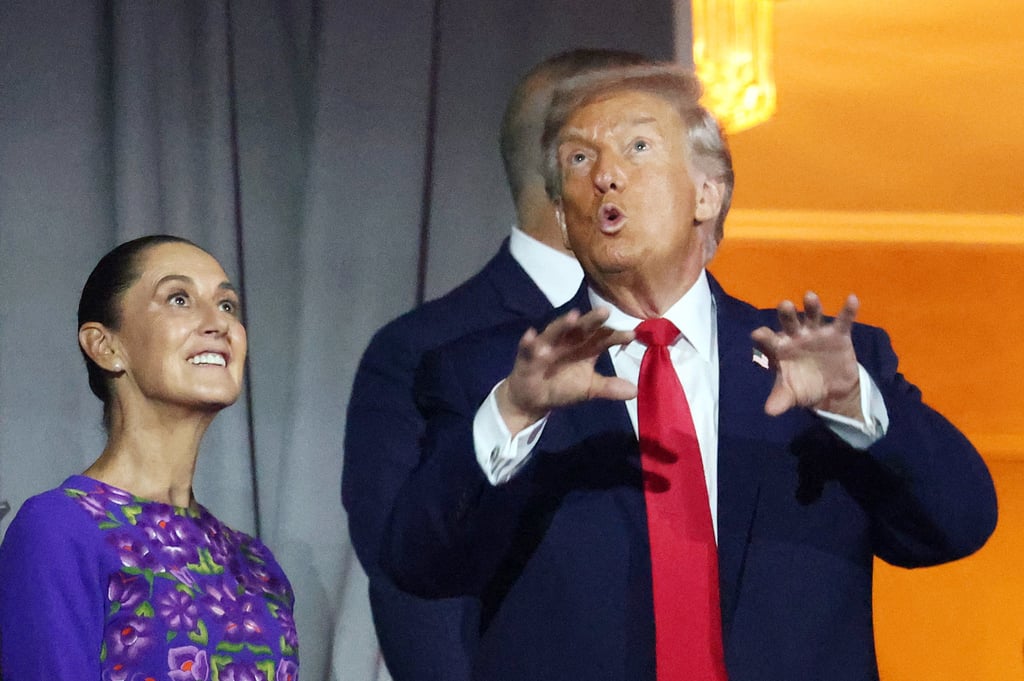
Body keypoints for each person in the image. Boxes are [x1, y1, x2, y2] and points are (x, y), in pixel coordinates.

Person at [380, 63, 998, 681]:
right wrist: (513, 414)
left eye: (638, 147)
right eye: (577, 160)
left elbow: (959, 525)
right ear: (565, 219)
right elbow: (420, 565)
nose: (605, 175)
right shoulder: (489, 374)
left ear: (708, 193)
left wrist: (852, 403)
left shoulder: (821, 366)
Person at [342, 48, 650, 680]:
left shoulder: (712, 342)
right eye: (647, 145)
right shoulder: (423, 351)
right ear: (573, 162)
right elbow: (413, 589)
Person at [0, 235, 299, 679]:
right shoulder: (59, 530)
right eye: (179, 298)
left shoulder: (255, 563)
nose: (218, 323)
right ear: (106, 346)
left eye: (228, 306)